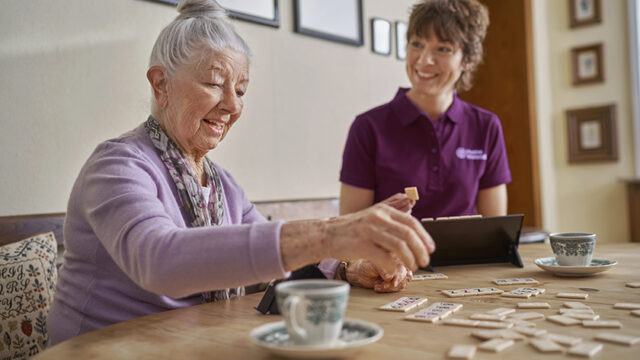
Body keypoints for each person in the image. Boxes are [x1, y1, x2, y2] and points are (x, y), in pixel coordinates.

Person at [47, 0, 435, 346]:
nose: (232, 105)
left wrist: (352, 267)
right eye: (214, 83)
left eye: (242, 90)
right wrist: (333, 233)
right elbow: (158, 261)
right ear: (160, 84)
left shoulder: (221, 185)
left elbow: (266, 243)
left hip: (186, 346)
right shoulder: (116, 166)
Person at [339, 0, 511, 221]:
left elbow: (494, 228)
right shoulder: (367, 128)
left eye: (443, 49)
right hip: (389, 255)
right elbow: (350, 232)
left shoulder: (486, 126)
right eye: (417, 44)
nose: (424, 60)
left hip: (465, 256)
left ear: (467, 60)